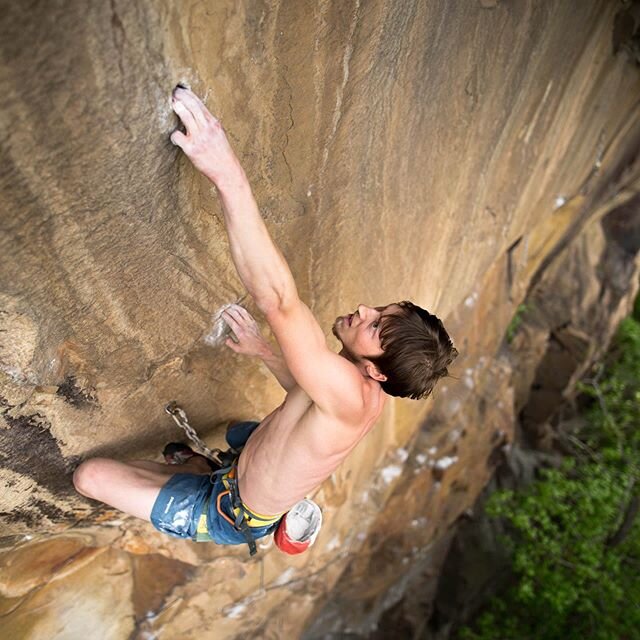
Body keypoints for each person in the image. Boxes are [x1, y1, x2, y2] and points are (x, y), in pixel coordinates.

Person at [72, 85, 458, 553]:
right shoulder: (355, 388)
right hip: (251, 466)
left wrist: (226, 173)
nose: (364, 310)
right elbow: (306, 387)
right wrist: (264, 352)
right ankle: (209, 462)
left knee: (89, 477)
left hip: (230, 513)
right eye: (381, 309)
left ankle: (198, 471)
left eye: (375, 325)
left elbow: (280, 301)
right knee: (239, 431)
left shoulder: (353, 396)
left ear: (377, 370)